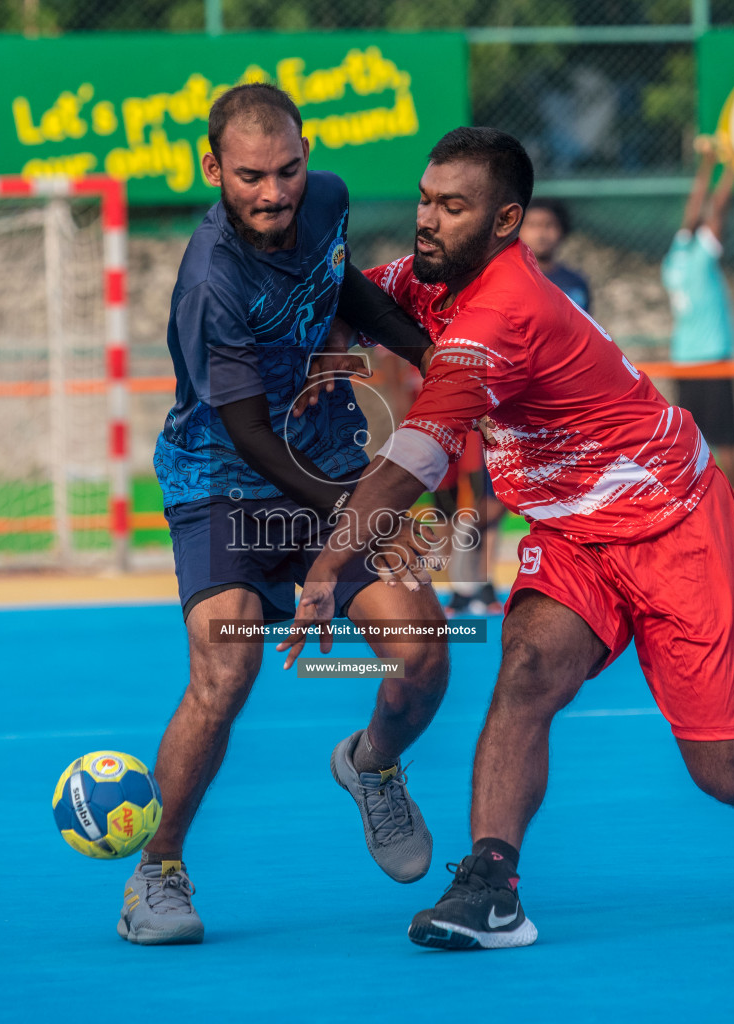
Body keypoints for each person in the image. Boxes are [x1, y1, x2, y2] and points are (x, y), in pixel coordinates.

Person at [282, 127, 734, 950]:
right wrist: (323, 341)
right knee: (527, 669)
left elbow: (419, 454)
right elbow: (360, 298)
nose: (427, 219)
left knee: (728, 772)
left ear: (507, 222)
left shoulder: (505, 310)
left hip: (675, 527)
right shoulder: (435, 276)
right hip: (574, 535)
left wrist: (330, 564)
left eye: (453, 206)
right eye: (427, 199)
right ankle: (491, 888)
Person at [124, 83, 450, 946]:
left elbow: (339, 287)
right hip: (224, 480)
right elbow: (251, 436)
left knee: (423, 654)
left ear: (308, 156)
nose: (274, 193)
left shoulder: (329, 200)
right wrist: (369, 517)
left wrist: (431, 355)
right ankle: (157, 870)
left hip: (331, 453)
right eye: (251, 176)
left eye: (288, 170)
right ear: (212, 170)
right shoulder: (210, 282)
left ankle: (370, 766)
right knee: (227, 673)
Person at [441, 198, 596, 618]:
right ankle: (465, 586)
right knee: (485, 502)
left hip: (562, 413)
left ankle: (560, 584)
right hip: (505, 408)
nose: (543, 232)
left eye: (550, 224)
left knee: (551, 503)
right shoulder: (502, 280)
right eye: (535, 224)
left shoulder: (575, 283)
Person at [662, 136, 734, 537]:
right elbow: (716, 209)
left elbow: (694, 209)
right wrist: (733, 166)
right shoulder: (702, 258)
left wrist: (707, 164)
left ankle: (688, 508)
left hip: (684, 360)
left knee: (692, 439)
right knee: (727, 439)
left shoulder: (674, 260)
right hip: (710, 357)